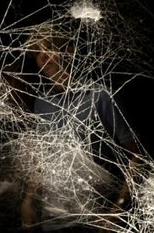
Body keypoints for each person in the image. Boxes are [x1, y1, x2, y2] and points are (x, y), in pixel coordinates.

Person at [20, 25, 139, 232]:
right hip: (55, 220)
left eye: (49, 48)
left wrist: (117, 210)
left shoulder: (100, 96)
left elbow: (136, 156)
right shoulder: (41, 104)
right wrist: (29, 200)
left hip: (96, 219)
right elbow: (42, 158)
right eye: (37, 53)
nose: (43, 57)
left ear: (69, 50)